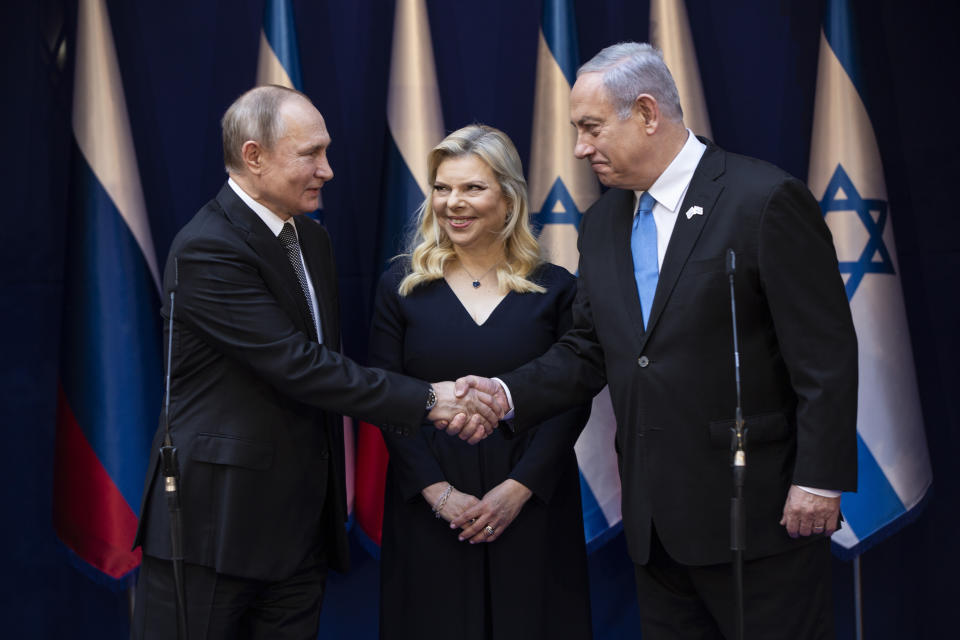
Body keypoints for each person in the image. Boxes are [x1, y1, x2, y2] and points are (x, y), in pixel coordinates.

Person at [453, 43, 858, 639]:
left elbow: (824, 355)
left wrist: (818, 481)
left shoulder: (762, 200)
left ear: (646, 113)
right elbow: (590, 349)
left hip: (759, 514)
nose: (579, 148)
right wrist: (506, 394)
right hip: (654, 526)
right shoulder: (604, 222)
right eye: (574, 130)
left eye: (590, 128)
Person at [131, 86, 502, 640]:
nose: (327, 170)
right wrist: (431, 399)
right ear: (253, 156)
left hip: (298, 533)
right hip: (217, 531)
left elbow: (323, 366)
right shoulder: (208, 247)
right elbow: (300, 366)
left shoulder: (310, 239)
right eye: (311, 154)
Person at [369, 124, 592, 640]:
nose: (453, 203)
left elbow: (572, 396)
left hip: (533, 501)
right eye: (442, 188)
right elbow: (384, 398)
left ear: (509, 198)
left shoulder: (557, 288)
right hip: (429, 507)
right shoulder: (400, 288)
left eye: (472, 188)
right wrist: (439, 493)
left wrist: (518, 491)